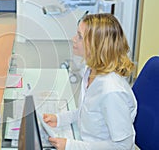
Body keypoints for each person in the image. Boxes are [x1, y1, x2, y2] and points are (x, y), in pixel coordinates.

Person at [43, 13, 137, 150]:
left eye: (80, 37)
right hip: (86, 141)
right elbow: (86, 111)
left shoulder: (112, 92)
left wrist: (70, 146)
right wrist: (60, 119)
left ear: (96, 46)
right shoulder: (91, 71)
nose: (73, 39)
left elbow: (123, 145)